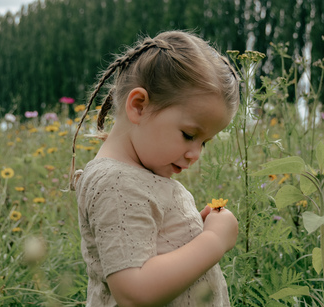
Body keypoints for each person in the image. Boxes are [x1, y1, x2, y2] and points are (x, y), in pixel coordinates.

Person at [69, 30, 240, 307]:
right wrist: (213, 240)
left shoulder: (135, 177)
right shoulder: (115, 184)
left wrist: (188, 231)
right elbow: (135, 291)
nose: (195, 154)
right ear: (139, 106)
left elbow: (146, 246)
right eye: (188, 134)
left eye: (204, 143)